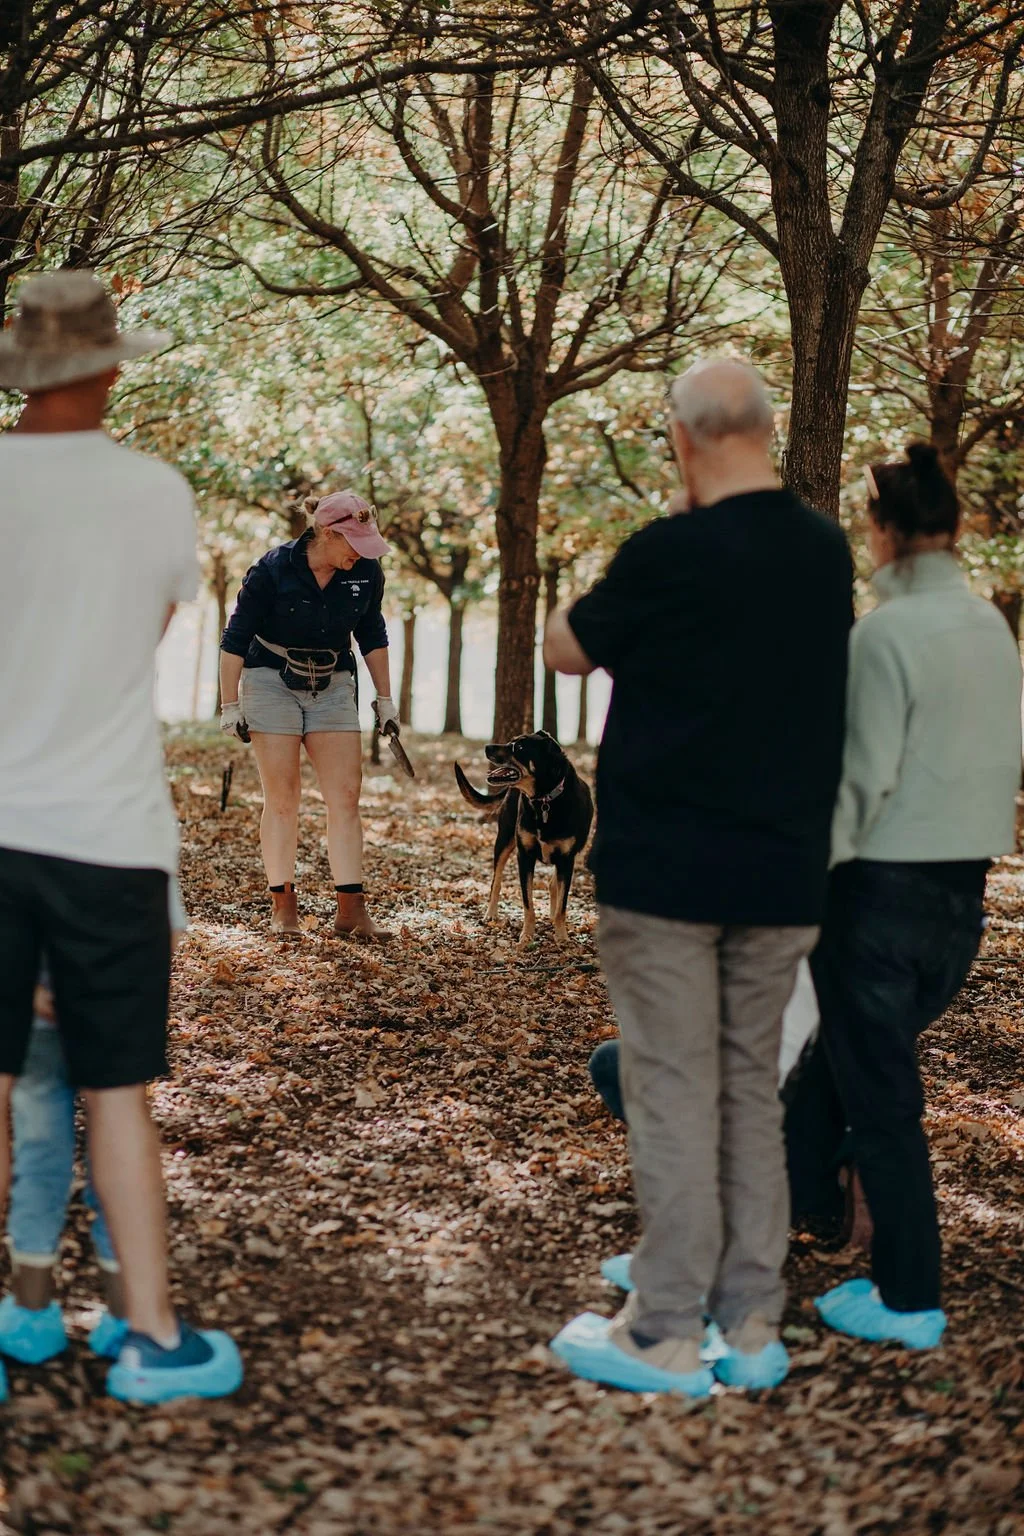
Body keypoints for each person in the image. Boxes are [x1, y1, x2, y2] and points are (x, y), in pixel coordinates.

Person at [543, 358, 854, 1396]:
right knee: (745, 1096)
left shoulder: (664, 551)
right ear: (764, 432)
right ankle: (752, 1323)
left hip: (668, 875)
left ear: (680, 437)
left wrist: (668, 528)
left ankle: (663, 1329)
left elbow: (564, 649)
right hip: (779, 874)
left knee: (671, 1094)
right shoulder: (824, 552)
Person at [0, 270, 241, 1405]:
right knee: (119, 1089)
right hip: (108, 831)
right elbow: (140, 637)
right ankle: (149, 1336)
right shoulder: (155, 491)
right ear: (104, 367)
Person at [807, 445, 1022, 1351]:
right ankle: (807, 1213)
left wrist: (799, 889)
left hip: (878, 896)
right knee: (839, 1073)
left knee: (882, 1100)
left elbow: (859, 785)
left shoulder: (881, 635)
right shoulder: (991, 627)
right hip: (963, 900)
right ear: (958, 528)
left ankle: (908, 1298)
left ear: (882, 530)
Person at [0, 883, 188, 1366]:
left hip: (35, 1002)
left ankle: (30, 1308)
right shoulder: (126, 821)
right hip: (108, 996)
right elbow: (164, 911)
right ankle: (125, 1313)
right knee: (113, 1145)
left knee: (39, 1155)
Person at [219, 491, 399, 941]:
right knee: (283, 798)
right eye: (353, 543)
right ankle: (283, 907)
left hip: (334, 683)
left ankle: (351, 912)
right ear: (326, 531)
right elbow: (235, 638)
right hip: (270, 678)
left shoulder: (365, 573)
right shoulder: (272, 570)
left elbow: (372, 634)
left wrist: (386, 700)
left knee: (345, 796)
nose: (360, 553)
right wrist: (229, 704)